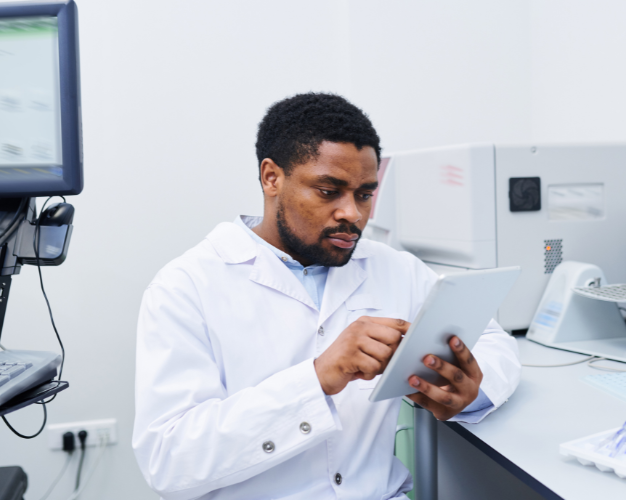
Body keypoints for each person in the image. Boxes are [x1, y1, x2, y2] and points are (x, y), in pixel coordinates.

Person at [133, 93, 521, 500]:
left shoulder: (395, 269)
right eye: (328, 190)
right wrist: (316, 379)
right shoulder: (186, 287)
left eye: (365, 194)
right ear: (271, 178)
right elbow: (170, 462)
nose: (352, 213)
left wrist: (469, 390)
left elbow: (495, 343)